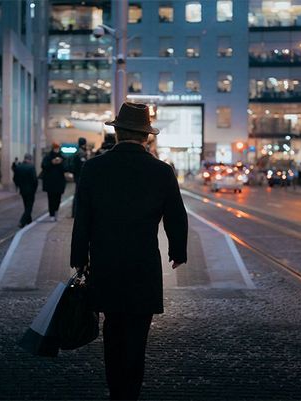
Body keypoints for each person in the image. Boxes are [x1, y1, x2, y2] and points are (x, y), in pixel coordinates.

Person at [70, 102, 188, 401]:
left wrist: (79, 257)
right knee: (138, 333)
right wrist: (178, 250)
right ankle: (130, 392)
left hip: (106, 262)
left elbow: (82, 217)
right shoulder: (161, 171)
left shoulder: (94, 168)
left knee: (113, 330)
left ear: (118, 133)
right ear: (146, 137)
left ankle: (115, 389)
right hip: (143, 264)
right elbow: (176, 215)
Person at [41, 142, 66, 221]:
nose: (56, 150)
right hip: (50, 182)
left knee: (58, 199)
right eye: (55, 148)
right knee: (51, 198)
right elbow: (43, 166)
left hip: (59, 182)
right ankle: (51, 214)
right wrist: (52, 163)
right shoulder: (48, 157)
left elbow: (66, 167)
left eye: (57, 148)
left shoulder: (62, 157)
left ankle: (56, 212)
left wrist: (60, 163)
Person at [13, 154, 38, 228]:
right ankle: (22, 222)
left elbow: (15, 178)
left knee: (26, 205)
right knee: (29, 207)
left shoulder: (19, 167)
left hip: (22, 190)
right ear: (30, 159)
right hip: (30, 190)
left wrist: (18, 186)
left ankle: (29, 221)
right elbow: (34, 180)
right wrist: (34, 189)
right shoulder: (31, 167)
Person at [70, 137, 89, 218]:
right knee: (78, 195)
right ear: (84, 144)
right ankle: (75, 213)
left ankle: (74, 213)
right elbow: (83, 166)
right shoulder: (81, 153)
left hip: (77, 176)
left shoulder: (77, 152)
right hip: (80, 177)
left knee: (77, 194)